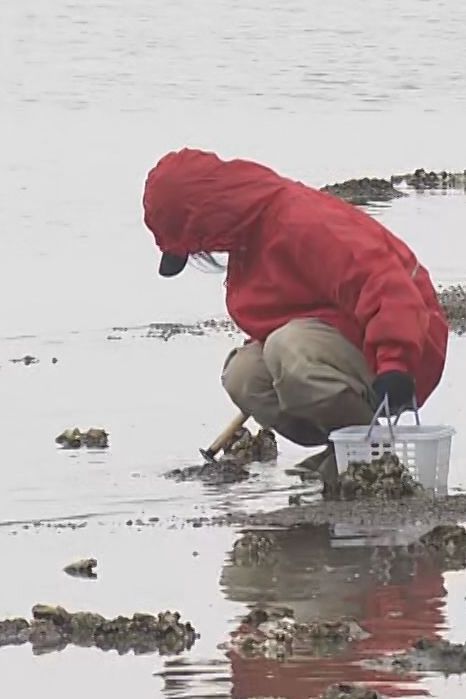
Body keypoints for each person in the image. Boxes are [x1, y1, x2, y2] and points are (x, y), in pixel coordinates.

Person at [143, 149, 449, 483]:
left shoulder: (301, 221)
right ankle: (342, 447)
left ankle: (370, 456)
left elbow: (387, 286)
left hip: (409, 340)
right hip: (345, 336)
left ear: (208, 220)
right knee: (244, 375)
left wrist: (395, 362)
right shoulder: (245, 237)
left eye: (198, 244)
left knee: (287, 349)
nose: (206, 252)